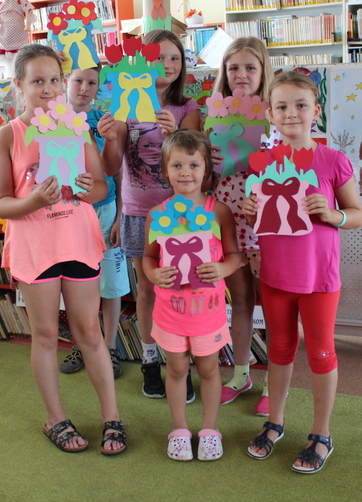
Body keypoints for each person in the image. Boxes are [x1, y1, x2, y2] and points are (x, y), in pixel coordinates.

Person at [0, 44, 126, 455]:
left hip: (78, 243)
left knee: (90, 333)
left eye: (54, 80)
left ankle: (113, 417)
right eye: (37, 81)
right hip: (36, 249)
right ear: (19, 85)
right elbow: (1, 203)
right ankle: (55, 418)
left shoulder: (76, 128)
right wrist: (34, 200)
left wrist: (86, 189)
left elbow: (100, 187)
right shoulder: (8, 135)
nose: (48, 89)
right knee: (47, 335)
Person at [242, 71, 362, 473]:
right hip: (276, 276)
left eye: (300, 105)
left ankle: (321, 434)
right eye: (281, 106)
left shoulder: (333, 160)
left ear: (316, 110)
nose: (291, 113)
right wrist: (249, 210)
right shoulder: (263, 164)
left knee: (321, 353)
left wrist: (333, 214)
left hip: (319, 279)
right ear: (270, 114)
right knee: (279, 349)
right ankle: (275, 422)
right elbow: (260, 216)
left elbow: (357, 214)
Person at [100, 30, 201, 399]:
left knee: (180, 289)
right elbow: (112, 166)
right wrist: (111, 137)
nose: (168, 65)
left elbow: (195, 161)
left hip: (179, 215)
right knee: (147, 290)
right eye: (160, 57)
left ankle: (179, 363)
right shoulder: (125, 106)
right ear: (144, 62)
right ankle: (149, 360)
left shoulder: (187, 108)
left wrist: (175, 135)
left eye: (175, 58)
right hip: (138, 212)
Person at [142, 129, 240, 461]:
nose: (186, 172)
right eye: (177, 165)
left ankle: (210, 430)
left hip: (208, 313)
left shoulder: (219, 211)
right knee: (176, 370)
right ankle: (180, 430)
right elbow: (149, 257)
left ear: (206, 169)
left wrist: (223, 269)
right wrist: (153, 274)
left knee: (210, 370)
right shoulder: (157, 214)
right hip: (170, 312)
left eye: (194, 165)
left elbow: (234, 255)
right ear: (165, 170)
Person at [208, 37, 275, 415]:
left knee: (274, 305)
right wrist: (207, 154)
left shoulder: (275, 114)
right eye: (234, 68)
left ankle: (275, 382)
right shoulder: (215, 114)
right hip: (228, 218)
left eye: (250, 67)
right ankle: (241, 374)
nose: (242, 74)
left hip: (264, 220)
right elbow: (206, 175)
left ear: (263, 71)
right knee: (242, 300)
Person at [60, 65, 130, 379]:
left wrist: (120, 215)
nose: (84, 88)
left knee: (111, 284)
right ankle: (82, 343)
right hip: (70, 212)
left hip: (106, 210)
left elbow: (118, 172)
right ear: (66, 81)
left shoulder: (105, 121)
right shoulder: (52, 120)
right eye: (78, 80)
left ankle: (110, 346)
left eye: (91, 82)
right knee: (76, 283)